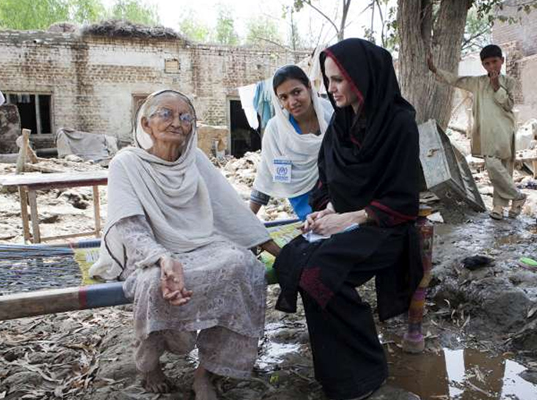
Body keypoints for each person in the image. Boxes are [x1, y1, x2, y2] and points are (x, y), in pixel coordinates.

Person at [89, 90, 280, 400]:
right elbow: (129, 227)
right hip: (148, 252)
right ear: (146, 123)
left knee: (242, 266)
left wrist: (276, 251)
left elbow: (230, 209)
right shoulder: (126, 163)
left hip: (201, 245)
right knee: (152, 283)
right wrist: (162, 258)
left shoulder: (196, 161)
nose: (176, 122)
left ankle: (206, 373)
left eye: (185, 117)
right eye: (166, 114)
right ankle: (150, 365)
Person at [272, 39, 423, 400]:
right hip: (345, 222)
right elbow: (326, 182)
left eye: (339, 79)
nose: (332, 88)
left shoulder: (399, 124)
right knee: (292, 261)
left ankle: (367, 369)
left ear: (364, 76)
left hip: (385, 228)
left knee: (319, 275)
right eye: (328, 80)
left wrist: (351, 217)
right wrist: (325, 210)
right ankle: (338, 376)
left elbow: (404, 200)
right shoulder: (341, 126)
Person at [428, 44, 527, 220]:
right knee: (492, 164)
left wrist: (497, 85)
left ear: (502, 61)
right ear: (483, 65)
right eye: (487, 64)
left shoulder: (509, 82)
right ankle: (516, 196)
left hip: (504, 129)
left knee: (504, 168)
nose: (491, 67)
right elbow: (456, 80)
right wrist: (436, 70)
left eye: (494, 62)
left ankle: (499, 207)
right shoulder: (478, 82)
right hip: (487, 131)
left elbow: (509, 105)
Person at [250, 65, 334, 220]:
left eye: (296, 92)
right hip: (305, 209)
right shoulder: (276, 129)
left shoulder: (332, 116)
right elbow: (266, 174)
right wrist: (247, 221)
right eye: (284, 97)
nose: (292, 102)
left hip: (338, 203)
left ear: (308, 87)